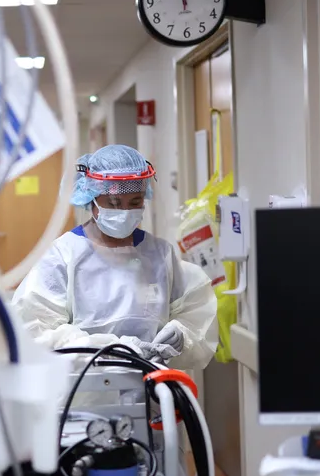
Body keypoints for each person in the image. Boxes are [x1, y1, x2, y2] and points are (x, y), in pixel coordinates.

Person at [11, 144, 217, 370]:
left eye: (135, 202)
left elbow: (195, 310)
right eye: (114, 203)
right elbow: (37, 329)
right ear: (92, 198)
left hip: (150, 388)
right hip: (84, 391)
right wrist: (113, 349)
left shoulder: (160, 255)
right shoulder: (63, 254)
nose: (125, 211)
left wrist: (181, 333)